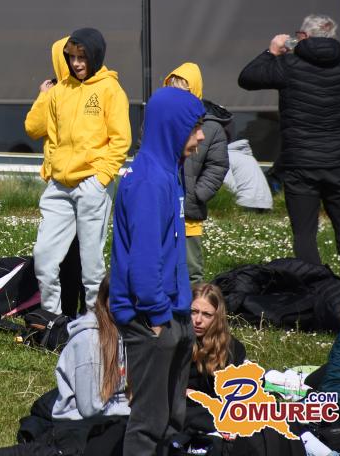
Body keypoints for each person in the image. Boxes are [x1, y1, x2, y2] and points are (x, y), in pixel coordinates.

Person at [110, 85, 205, 455]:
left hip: (173, 312)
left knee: (172, 419)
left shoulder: (169, 173)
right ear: (172, 128)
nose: (201, 137)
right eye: (195, 127)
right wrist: (157, 318)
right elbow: (145, 260)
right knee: (149, 423)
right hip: (151, 316)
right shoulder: (149, 181)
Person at [239, 14, 340, 277]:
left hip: (301, 164)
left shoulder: (288, 65)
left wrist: (271, 51)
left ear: (302, 36)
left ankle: (316, 288)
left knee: (304, 233)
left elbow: (248, 78)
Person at [33, 27, 131, 314]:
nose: (76, 63)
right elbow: (49, 135)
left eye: (82, 57)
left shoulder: (111, 90)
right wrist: (52, 168)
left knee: (91, 267)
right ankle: (50, 321)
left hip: (92, 185)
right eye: (72, 57)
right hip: (59, 186)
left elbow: (121, 140)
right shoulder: (59, 91)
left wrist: (101, 179)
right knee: (44, 258)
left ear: (96, 56)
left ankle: (94, 325)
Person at [25, 36, 85, 317]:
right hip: (76, 181)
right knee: (78, 253)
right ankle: (78, 313)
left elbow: (33, 127)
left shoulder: (61, 93)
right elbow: (35, 127)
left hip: (67, 181)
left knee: (69, 256)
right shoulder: (73, 90)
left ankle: (64, 315)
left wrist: (43, 95)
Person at [164, 64, 230, 283]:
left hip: (190, 213)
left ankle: (192, 304)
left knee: (191, 270)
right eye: (172, 91)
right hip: (162, 205)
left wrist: (198, 194)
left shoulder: (211, 128)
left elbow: (217, 166)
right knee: (160, 264)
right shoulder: (160, 120)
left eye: (183, 91)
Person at [51, 276, 130, 420]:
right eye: (117, 299)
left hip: (112, 413)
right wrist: (133, 408)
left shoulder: (124, 331)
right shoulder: (90, 340)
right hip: (81, 423)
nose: (124, 305)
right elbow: (90, 409)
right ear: (104, 299)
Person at [185, 283, 247, 431]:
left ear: (217, 317)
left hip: (212, 409)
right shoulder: (176, 343)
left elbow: (232, 395)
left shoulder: (232, 348)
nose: (198, 320)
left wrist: (198, 396)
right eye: (194, 312)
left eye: (207, 315)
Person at [223, 138, 274, 211]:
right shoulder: (248, 156)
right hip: (266, 203)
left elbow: (228, 184)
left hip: (247, 203)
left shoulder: (227, 156)